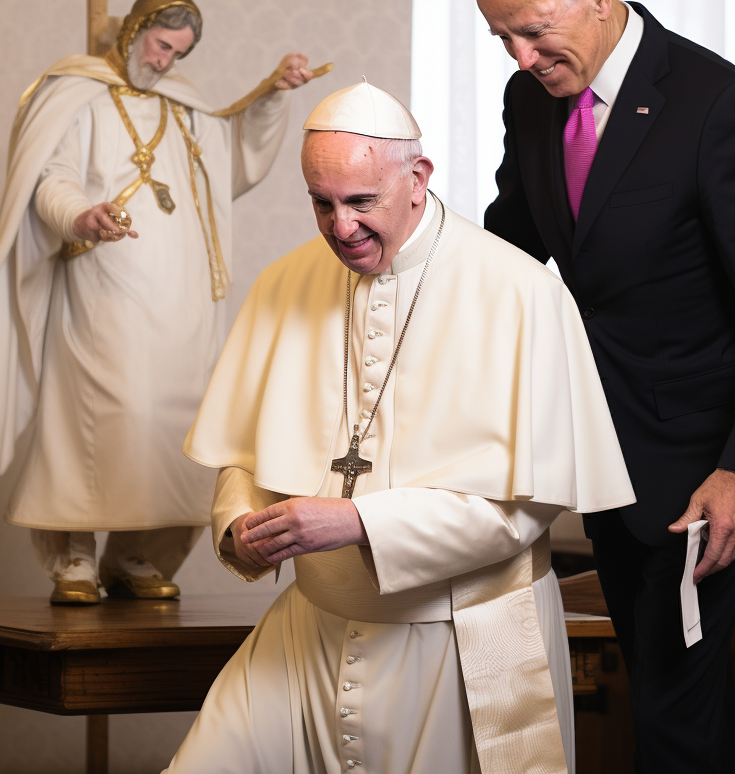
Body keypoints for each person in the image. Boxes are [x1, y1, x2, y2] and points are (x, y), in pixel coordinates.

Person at [164, 80, 635, 774]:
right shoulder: (283, 283)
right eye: (321, 204)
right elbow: (243, 452)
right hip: (310, 633)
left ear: (418, 180)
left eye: (361, 202)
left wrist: (358, 523)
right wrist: (241, 524)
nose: (340, 227)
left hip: (467, 643)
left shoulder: (518, 292)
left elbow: (524, 509)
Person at [470, 0, 735, 773]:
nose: (520, 57)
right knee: (678, 710)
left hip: (700, 476)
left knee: (674, 714)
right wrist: (391, 233)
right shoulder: (534, 99)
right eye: (500, 37)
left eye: (532, 31)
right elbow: (507, 248)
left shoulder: (717, 104)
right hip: (605, 459)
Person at [0, 0, 319, 604]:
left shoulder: (182, 106)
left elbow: (230, 165)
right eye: (162, 44)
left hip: (183, 300)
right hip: (105, 290)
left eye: (180, 52)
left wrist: (273, 95)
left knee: (171, 426)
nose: (168, 62)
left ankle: (134, 554)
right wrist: (80, 218)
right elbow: (50, 179)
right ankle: (72, 556)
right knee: (99, 416)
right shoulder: (80, 97)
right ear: (137, 29)